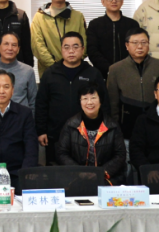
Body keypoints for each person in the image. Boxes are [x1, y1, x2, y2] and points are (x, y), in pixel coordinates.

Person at [35, 32, 107, 164]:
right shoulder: (50, 73)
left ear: (83, 49)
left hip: (87, 135)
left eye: (75, 47)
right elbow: (41, 104)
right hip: (55, 135)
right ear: (61, 49)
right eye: (66, 47)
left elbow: (104, 103)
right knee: (56, 172)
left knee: (85, 172)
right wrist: (41, 131)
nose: (71, 51)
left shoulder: (93, 73)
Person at [55, 82, 127, 185]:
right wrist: (80, 172)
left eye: (93, 98)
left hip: (105, 179)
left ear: (101, 100)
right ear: (80, 101)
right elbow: (62, 153)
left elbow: (120, 154)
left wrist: (100, 172)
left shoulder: (112, 126)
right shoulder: (71, 125)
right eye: (85, 98)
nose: (89, 102)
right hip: (76, 179)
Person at [106, 28, 159, 139]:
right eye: (135, 43)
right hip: (127, 127)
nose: (140, 46)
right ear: (127, 45)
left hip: (157, 125)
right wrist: (115, 128)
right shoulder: (115, 69)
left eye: (144, 42)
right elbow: (113, 103)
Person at [31, 0, 87, 77]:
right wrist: (56, 68)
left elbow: (84, 43)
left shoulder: (78, 16)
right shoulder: (39, 17)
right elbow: (37, 46)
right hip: (49, 72)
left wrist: (71, 64)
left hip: (76, 71)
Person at [87, 0, 140, 78]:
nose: (114, 1)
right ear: (103, 2)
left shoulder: (132, 24)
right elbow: (92, 51)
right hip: (102, 75)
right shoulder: (95, 24)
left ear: (122, 1)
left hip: (129, 73)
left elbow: (136, 49)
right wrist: (109, 69)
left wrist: (125, 68)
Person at [0, 32, 38, 113]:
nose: (10, 48)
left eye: (14, 45)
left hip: (22, 118)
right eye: (6, 44)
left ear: (18, 49)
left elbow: (33, 102)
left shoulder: (28, 71)